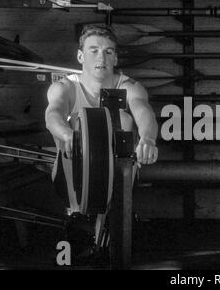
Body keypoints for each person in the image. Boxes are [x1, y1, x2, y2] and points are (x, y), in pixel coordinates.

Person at [45, 25, 158, 213]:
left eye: (108, 52)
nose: (101, 58)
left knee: (124, 119)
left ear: (115, 58)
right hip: (72, 183)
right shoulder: (65, 87)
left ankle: (115, 214)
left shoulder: (130, 87)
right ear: (80, 56)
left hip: (118, 182)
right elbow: (52, 115)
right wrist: (67, 135)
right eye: (94, 50)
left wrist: (148, 139)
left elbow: (144, 112)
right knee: (74, 122)